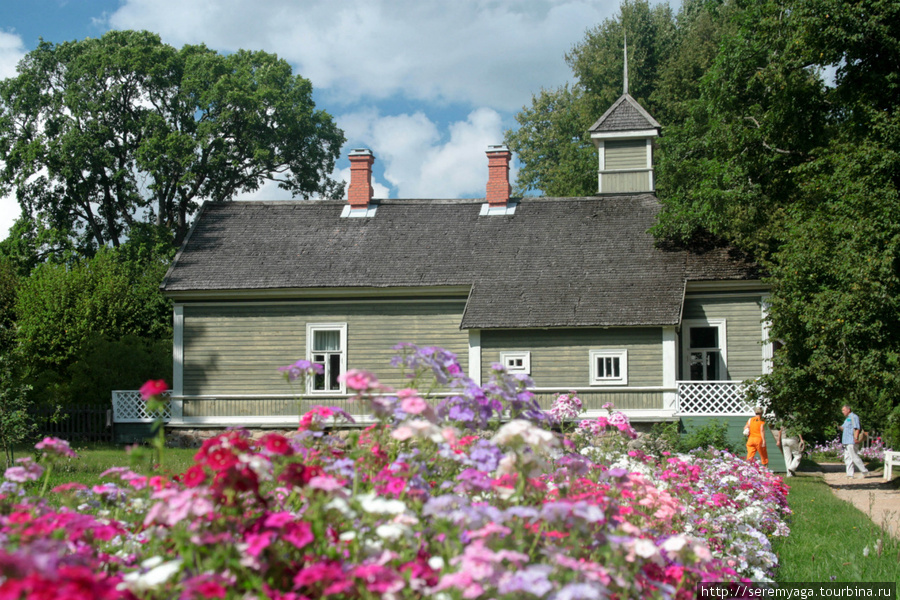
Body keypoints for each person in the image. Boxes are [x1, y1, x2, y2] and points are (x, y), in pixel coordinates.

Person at [838, 404, 870, 478]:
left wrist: (855, 438)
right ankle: (850, 474)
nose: (842, 412)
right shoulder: (847, 419)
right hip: (846, 441)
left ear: (848, 410)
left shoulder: (853, 417)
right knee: (847, 458)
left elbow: (857, 428)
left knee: (854, 457)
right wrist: (837, 426)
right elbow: (843, 428)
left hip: (851, 440)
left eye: (843, 410)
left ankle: (865, 471)